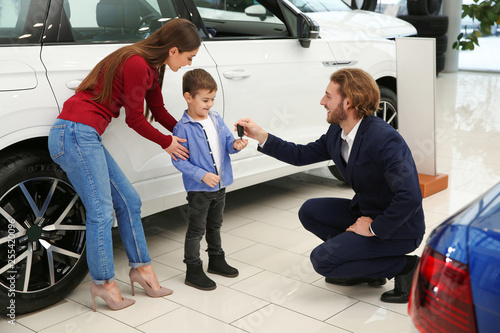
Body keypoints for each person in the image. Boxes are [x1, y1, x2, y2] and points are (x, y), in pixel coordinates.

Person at [47, 18, 201, 311]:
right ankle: (103, 283)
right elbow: (135, 119)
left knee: (129, 201)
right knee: (101, 211)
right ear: (173, 50)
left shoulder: (152, 69)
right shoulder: (136, 63)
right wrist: (166, 143)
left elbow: (158, 111)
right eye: (189, 57)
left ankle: (141, 269)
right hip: (74, 134)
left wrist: (191, 130)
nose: (188, 64)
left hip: (85, 136)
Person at [237, 68, 425, 303]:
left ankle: (407, 266)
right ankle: (366, 266)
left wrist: (376, 227)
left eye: (328, 96)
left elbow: (410, 196)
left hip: (399, 227)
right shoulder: (338, 131)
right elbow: (301, 155)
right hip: (365, 211)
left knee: (323, 261)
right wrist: (261, 135)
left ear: (349, 102)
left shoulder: (384, 139)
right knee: (310, 211)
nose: (322, 102)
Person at [172, 68, 248, 290]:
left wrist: (235, 145)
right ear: (189, 97)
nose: (210, 105)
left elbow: (227, 142)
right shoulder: (182, 128)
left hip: (221, 184)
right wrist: (202, 175)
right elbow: (178, 161)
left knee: (215, 225)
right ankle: (193, 269)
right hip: (199, 189)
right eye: (205, 100)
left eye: (213, 99)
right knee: (197, 229)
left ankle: (216, 259)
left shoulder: (215, 118)